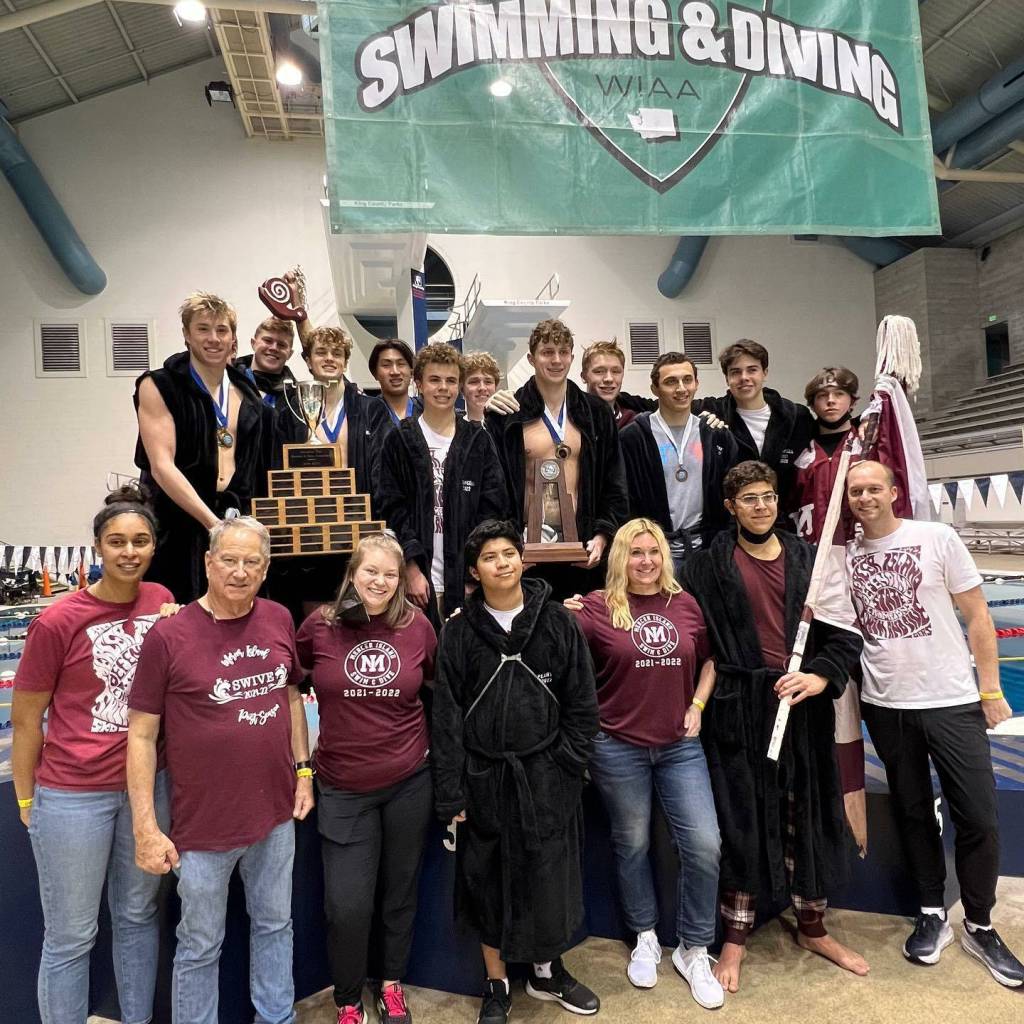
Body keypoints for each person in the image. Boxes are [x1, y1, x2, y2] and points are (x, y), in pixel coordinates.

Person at [679, 461, 867, 993]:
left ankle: (813, 926)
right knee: (742, 822)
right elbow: (677, 620)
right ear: (729, 506)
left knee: (806, 815)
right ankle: (735, 936)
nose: (760, 506)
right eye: (749, 499)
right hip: (738, 710)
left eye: (767, 497)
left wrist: (818, 677)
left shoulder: (810, 561)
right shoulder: (706, 565)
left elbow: (844, 637)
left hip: (801, 709)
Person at [127, 517, 313, 1024]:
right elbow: (141, 736)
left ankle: (277, 1018)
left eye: (252, 562)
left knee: (276, 925)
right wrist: (145, 826)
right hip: (202, 828)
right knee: (200, 944)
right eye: (228, 559)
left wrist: (303, 771)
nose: (239, 571)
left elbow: (291, 694)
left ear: (265, 568)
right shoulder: (169, 636)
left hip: (274, 817)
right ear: (208, 563)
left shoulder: (278, 618)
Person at [845, 461, 1023, 986]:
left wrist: (990, 690)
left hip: (951, 699)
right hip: (886, 704)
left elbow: (979, 618)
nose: (864, 497)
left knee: (979, 815)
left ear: (895, 491)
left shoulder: (936, 537)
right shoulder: (845, 556)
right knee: (914, 812)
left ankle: (981, 923)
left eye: (874, 487)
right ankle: (931, 912)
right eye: (856, 490)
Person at [11, 485, 172, 1024]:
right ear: (98, 548)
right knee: (71, 934)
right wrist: (28, 800)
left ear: (154, 547)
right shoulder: (57, 621)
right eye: (117, 541)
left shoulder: (162, 602)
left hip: (147, 790)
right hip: (73, 794)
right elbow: (28, 720)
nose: (129, 551)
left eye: (140, 541)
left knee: (138, 916)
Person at [432, 519, 601, 1024]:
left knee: (549, 878)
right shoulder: (459, 632)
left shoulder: (557, 622)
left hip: (547, 777)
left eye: (510, 553)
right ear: (473, 569)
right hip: (486, 779)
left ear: (522, 560)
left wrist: (567, 765)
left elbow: (582, 704)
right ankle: (496, 984)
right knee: (488, 885)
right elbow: (446, 716)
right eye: (490, 557)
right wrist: (452, 790)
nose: (502, 563)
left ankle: (548, 971)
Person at [565, 519, 723, 1008]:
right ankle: (646, 937)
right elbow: (558, 650)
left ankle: (694, 948)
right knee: (630, 844)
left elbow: (711, 661)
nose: (647, 561)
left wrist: (697, 706)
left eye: (653, 552)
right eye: (635, 553)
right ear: (620, 558)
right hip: (616, 747)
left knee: (704, 844)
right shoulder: (593, 607)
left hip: (679, 745)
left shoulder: (686, 604)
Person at [296, 533, 437, 1024]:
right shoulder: (320, 625)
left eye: (390, 574)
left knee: (399, 895)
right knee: (347, 908)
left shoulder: (417, 626)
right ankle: (349, 999)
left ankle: (392, 985)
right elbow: (292, 688)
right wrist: (301, 767)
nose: (379, 581)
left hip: (409, 782)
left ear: (401, 580)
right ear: (353, 573)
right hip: (341, 787)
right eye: (370, 571)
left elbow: (437, 690)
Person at [133, 292, 268, 602]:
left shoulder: (246, 391)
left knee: (235, 614)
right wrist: (214, 525)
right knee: (177, 618)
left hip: (232, 517)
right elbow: (162, 467)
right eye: (203, 329)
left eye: (222, 330)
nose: (213, 338)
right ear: (186, 335)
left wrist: (239, 526)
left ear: (233, 338)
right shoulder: (159, 385)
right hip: (177, 523)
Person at [484, 319, 629, 598]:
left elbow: (614, 484)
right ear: (531, 358)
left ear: (572, 358)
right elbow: (495, 491)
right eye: (547, 352)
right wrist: (511, 544)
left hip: (583, 548)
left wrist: (603, 535)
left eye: (563, 352)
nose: (556, 360)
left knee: (582, 632)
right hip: (527, 551)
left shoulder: (596, 414)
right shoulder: (508, 414)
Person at [377, 342, 509, 627]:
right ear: (419, 384)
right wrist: (410, 568)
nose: (443, 388)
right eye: (434, 380)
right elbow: (391, 508)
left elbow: (492, 509)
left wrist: (473, 574)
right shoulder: (400, 439)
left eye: (451, 381)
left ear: (459, 386)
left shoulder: (477, 440)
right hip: (416, 582)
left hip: (466, 583)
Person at [619, 353, 738, 572]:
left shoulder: (716, 436)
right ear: (655, 389)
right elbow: (625, 500)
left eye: (687, 380)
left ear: (696, 383)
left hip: (707, 551)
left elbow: (731, 495)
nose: (681, 388)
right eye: (670, 382)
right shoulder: (633, 438)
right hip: (654, 556)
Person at [696, 340, 814, 511]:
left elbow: (829, 436)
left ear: (764, 373)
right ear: (727, 378)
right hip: (733, 525)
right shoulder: (714, 412)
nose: (744, 377)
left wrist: (862, 422)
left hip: (787, 523)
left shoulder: (797, 417)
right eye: (735, 372)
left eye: (752, 370)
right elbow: (660, 406)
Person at [235, 315, 298, 409]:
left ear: (290, 354)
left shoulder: (297, 397)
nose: (274, 348)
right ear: (253, 343)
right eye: (268, 341)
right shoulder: (228, 379)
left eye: (281, 345)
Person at [580, 340, 636, 428]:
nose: (609, 379)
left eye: (616, 371)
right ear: (584, 377)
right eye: (599, 371)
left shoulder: (633, 422)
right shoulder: (572, 419)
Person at [370, 339, 419, 425]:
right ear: (375, 373)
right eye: (386, 365)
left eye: (401, 364)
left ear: (411, 371)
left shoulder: (426, 410)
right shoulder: (367, 414)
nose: (395, 372)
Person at [462, 351, 501, 424]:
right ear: (462, 388)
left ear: (495, 387)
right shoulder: (452, 430)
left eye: (488, 382)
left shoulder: (508, 427)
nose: (482, 388)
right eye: (474, 382)